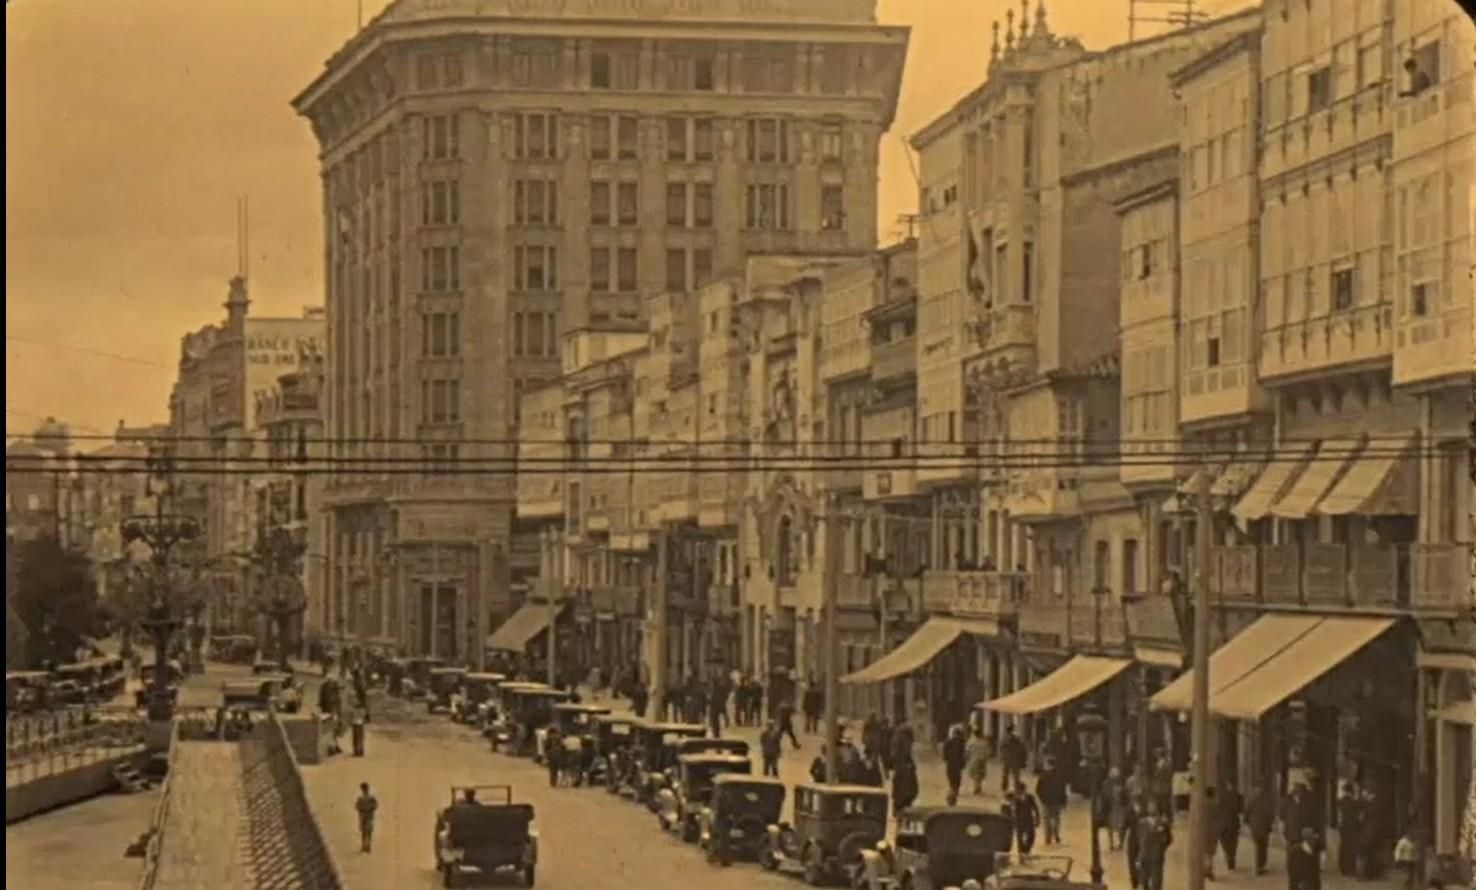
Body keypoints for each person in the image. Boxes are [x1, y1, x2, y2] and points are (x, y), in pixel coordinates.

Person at [1137, 800, 1172, 890]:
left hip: (1157, 857)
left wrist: (1162, 847)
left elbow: (1169, 839)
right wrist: (1138, 858)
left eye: (1153, 806)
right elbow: (1138, 840)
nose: (1151, 808)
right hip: (1145, 856)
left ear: (1157, 808)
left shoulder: (1163, 822)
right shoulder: (1142, 823)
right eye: (1149, 806)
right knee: (1144, 882)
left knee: (1156, 883)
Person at [1035, 757, 1068, 846]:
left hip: (1046, 802)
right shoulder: (1060, 776)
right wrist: (1063, 801)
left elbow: (1038, 790)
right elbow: (1063, 789)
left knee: (1046, 820)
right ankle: (1056, 834)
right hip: (1057, 801)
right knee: (1056, 819)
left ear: (1048, 765)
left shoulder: (1043, 776)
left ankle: (1047, 837)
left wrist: (1042, 799)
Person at [1246, 782, 1275, 876]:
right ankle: (1261, 866)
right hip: (1265, 826)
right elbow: (1271, 814)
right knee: (1263, 847)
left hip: (1254, 826)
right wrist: (1270, 823)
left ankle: (1256, 868)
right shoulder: (1268, 799)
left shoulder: (1251, 798)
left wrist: (1247, 821)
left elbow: (1247, 811)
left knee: (1256, 846)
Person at [1336, 780, 1363, 877]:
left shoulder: (1341, 801)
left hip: (1344, 826)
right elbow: (1360, 813)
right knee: (1351, 848)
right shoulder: (1354, 802)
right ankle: (1349, 868)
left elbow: (1339, 815)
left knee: (1344, 847)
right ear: (1352, 791)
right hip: (1352, 827)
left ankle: (1343, 868)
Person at [1007, 781, 1040, 854]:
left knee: (1031, 836)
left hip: (1028, 820)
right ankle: (1022, 853)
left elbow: (1035, 808)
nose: (1019, 791)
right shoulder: (1013, 798)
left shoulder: (1030, 797)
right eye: (1018, 790)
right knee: (1020, 838)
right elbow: (1008, 805)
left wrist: (1037, 818)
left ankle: (1026, 850)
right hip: (1018, 821)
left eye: (1021, 790)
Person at [1288, 826, 1325, 890]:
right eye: (1314, 837)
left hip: (1303, 883)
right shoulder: (1315, 851)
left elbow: (1291, 869)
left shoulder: (1295, 850)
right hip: (1307, 883)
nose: (1316, 839)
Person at [943, 724, 967, 806]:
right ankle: (954, 793)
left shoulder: (947, 742)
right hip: (958, 764)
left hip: (950, 764)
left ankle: (952, 794)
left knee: (951, 779)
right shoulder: (962, 742)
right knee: (957, 779)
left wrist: (947, 759)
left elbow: (944, 755)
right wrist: (963, 763)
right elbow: (963, 754)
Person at [1105, 767, 1129, 851]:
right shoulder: (1107, 784)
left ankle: (1120, 844)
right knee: (1110, 826)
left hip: (1120, 808)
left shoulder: (1122, 784)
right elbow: (1105, 796)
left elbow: (1125, 796)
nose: (1115, 779)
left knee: (1121, 826)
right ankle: (1111, 843)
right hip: (1111, 808)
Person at [1000, 726, 1026, 793]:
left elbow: (1002, 749)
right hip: (1015, 759)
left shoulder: (1004, 739)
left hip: (1007, 759)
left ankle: (1004, 787)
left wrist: (1002, 757)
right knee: (1015, 775)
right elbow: (1022, 749)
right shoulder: (1017, 739)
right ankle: (1016, 788)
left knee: (1006, 774)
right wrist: (1023, 760)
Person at [965, 726, 990, 795]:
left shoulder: (970, 742)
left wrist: (967, 759)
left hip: (973, 760)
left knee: (975, 775)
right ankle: (978, 787)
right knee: (980, 775)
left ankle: (976, 787)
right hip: (982, 760)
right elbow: (987, 752)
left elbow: (967, 751)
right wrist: (985, 758)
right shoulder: (984, 742)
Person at [355, 782, 379, 853]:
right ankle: (364, 846)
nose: (365, 790)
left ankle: (368, 846)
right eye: (364, 789)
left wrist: (370, 809)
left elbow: (376, 805)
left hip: (369, 816)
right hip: (363, 817)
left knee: (368, 832)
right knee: (364, 832)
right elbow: (357, 806)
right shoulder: (360, 798)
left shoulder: (371, 798)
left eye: (366, 788)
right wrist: (362, 809)